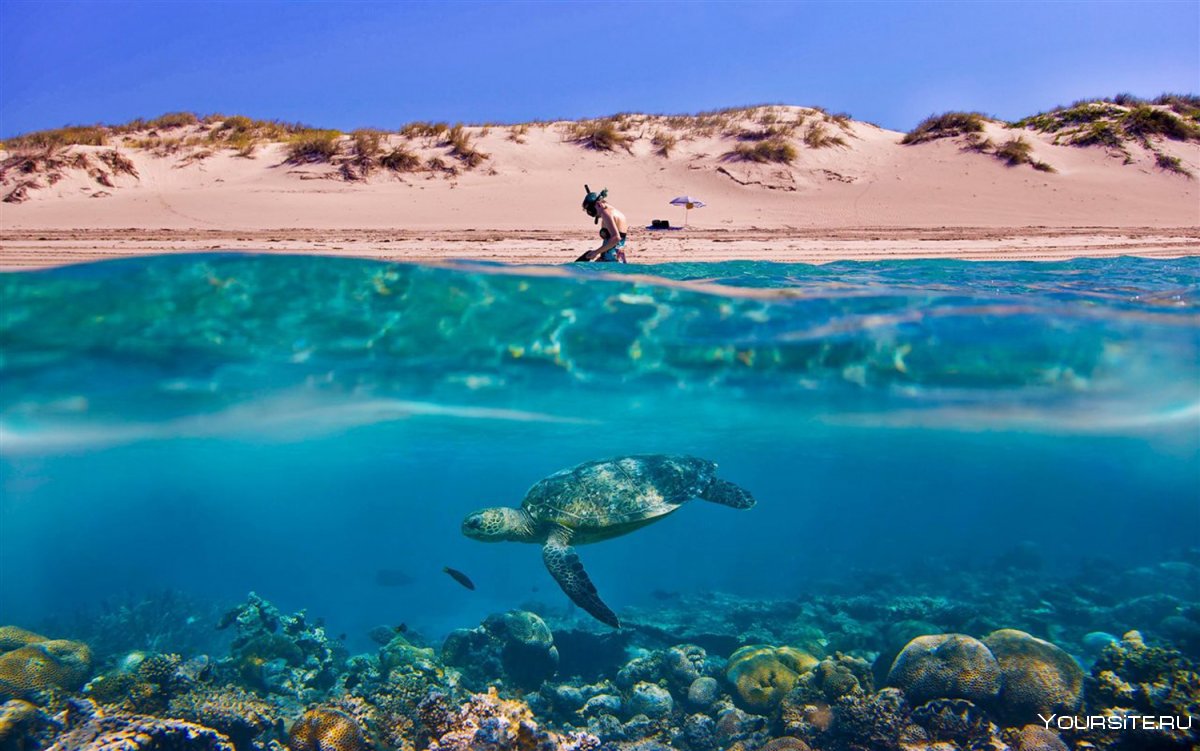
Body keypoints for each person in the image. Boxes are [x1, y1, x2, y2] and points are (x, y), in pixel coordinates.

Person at [575, 185, 629, 263]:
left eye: (591, 210)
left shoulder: (606, 213)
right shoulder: (614, 212)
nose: (593, 215)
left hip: (610, 258)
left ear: (598, 204)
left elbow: (616, 238)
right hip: (618, 258)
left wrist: (595, 252)